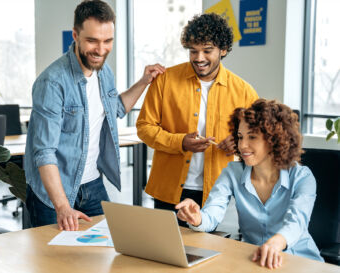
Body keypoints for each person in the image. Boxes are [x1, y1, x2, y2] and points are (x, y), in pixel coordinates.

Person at [24, 0, 165, 231]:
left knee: (106, 251)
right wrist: (62, 206)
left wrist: (143, 82)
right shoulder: (52, 82)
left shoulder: (103, 72)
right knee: (55, 262)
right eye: (92, 41)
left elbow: (115, 109)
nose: (100, 50)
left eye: (107, 41)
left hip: (91, 183)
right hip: (54, 194)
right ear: (75, 35)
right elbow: (44, 152)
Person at [136, 13, 258, 225]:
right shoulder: (165, 81)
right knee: (163, 253)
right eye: (193, 50)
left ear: (223, 50)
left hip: (216, 193)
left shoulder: (244, 92)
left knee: (206, 255)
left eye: (207, 50)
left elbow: (258, 138)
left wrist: (238, 144)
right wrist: (181, 142)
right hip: (167, 190)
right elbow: (144, 127)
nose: (199, 58)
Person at [176, 99, 324, 268]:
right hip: (256, 261)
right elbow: (212, 214)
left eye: (252, 137)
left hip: (300, 262)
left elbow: (296, 223)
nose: (242, 145)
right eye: (240, 137)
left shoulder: (302, 177)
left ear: (273, 139)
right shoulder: (232, 172)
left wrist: (274, 244)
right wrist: (197, 218)